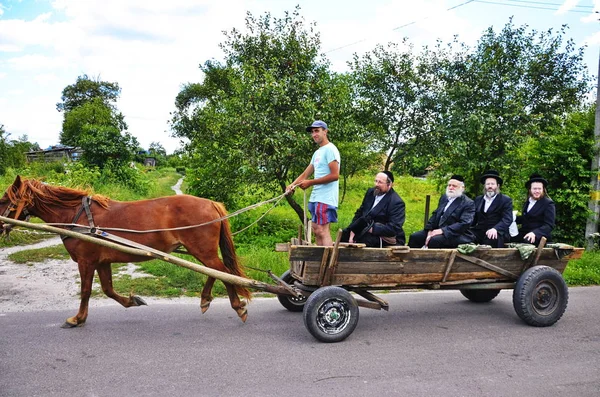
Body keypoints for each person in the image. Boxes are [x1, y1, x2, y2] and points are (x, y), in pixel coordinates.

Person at [287, 120, 340, 246]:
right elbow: (306, 173)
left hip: (326, 198)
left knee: (322, 231)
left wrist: (310, 182)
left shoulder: (330, 149)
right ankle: (319, 262)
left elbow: (335, 175)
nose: (314, 134)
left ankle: (327, 265)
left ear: (325, 131)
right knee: (316, 230)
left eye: (317, 131)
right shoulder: (317, 152)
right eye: (312, 132)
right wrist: (292, 185)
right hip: (316, 197)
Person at [408, 175, 475, 248]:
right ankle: (412, 259)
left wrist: (442, 231)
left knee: (434, 240)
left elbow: (464, 223)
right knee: (415, 237)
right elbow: (435, 214)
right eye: (449, 185)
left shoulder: (468, 203)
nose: (451, 188)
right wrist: (429, 229)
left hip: (456, 234)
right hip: (438, 230)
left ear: (462, 188)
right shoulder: (444, 197)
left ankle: (430, 259)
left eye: (454, 186)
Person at [342, 170, 405, 247]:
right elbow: (360, 212)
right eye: (375, 181)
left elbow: (394, 228)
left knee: (363, 240)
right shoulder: (371, 192)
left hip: (383, 235)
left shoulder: (396, 202)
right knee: (344, 234)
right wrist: (353, 228)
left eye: (380, 182)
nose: (376, 184)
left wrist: (370, 229)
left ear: (389, 185)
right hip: (363, 227)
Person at [470, 170, 514, 247]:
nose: (490, 186)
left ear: (498, 186)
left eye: (492, 184)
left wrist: (495, 229)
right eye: (488, 184)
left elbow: (507, 219)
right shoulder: (478, 199)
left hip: (497, 232)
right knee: (465, 237)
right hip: (480, 231)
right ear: (484, 186)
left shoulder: (505, 200)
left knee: (491, 238)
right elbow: (473, 218)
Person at [515, 173, 555, 245]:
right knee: (507, 237)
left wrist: (535, 233)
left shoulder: (548, 203)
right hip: (525, 233)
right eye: (534, 188)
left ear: (543, 189)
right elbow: (526, 219)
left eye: (539, 188)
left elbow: (549, 225)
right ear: (530, 189)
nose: (537, 191)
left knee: (526, 241)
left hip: (539, 236)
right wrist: (512, 217)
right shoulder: (527, 202)